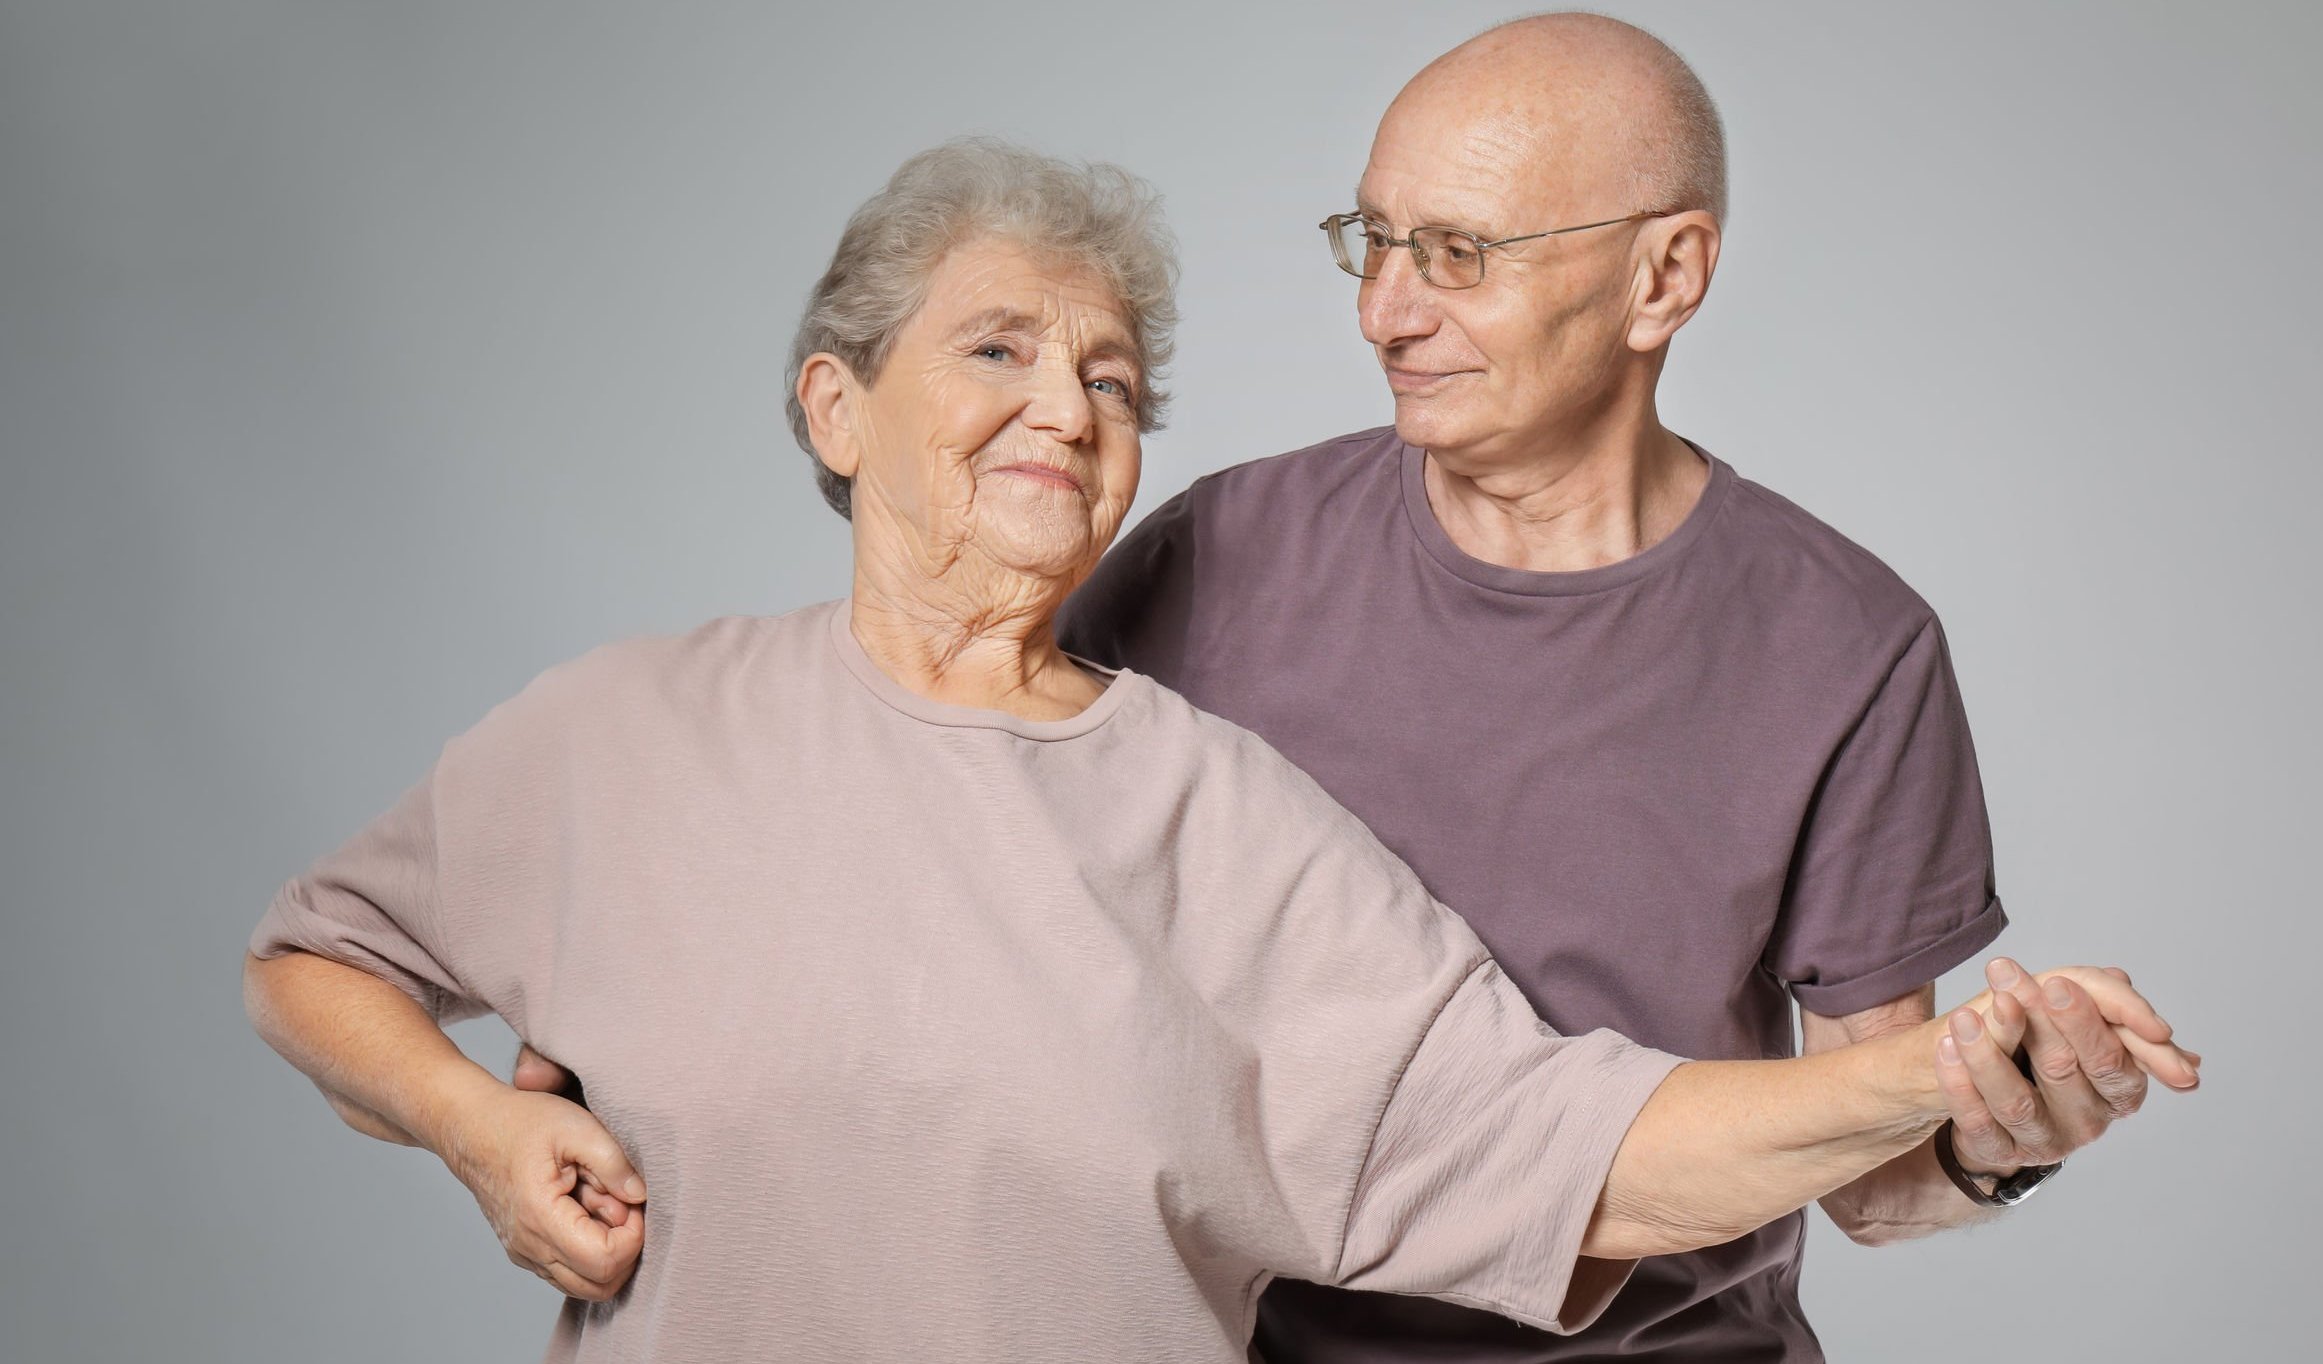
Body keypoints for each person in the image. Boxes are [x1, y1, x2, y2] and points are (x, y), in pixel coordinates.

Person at [244, 140, 2194, 1363]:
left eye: (1108, 378)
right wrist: (479, 1121)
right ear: (834, 406)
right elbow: (321, 966)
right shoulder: (627, 731)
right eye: (996, 348)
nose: (1065, 407)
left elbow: (1543, 1138)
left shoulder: (1217, 802)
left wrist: (1942, 1087)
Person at [1052, 13, 2182, 1363]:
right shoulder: (1212, 553)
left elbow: (1871, 1182)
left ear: (1664, 277)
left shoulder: (1847, 645)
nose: (1384, 312)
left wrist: (1999, 1142)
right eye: (1373, 240)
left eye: (1457, 255)